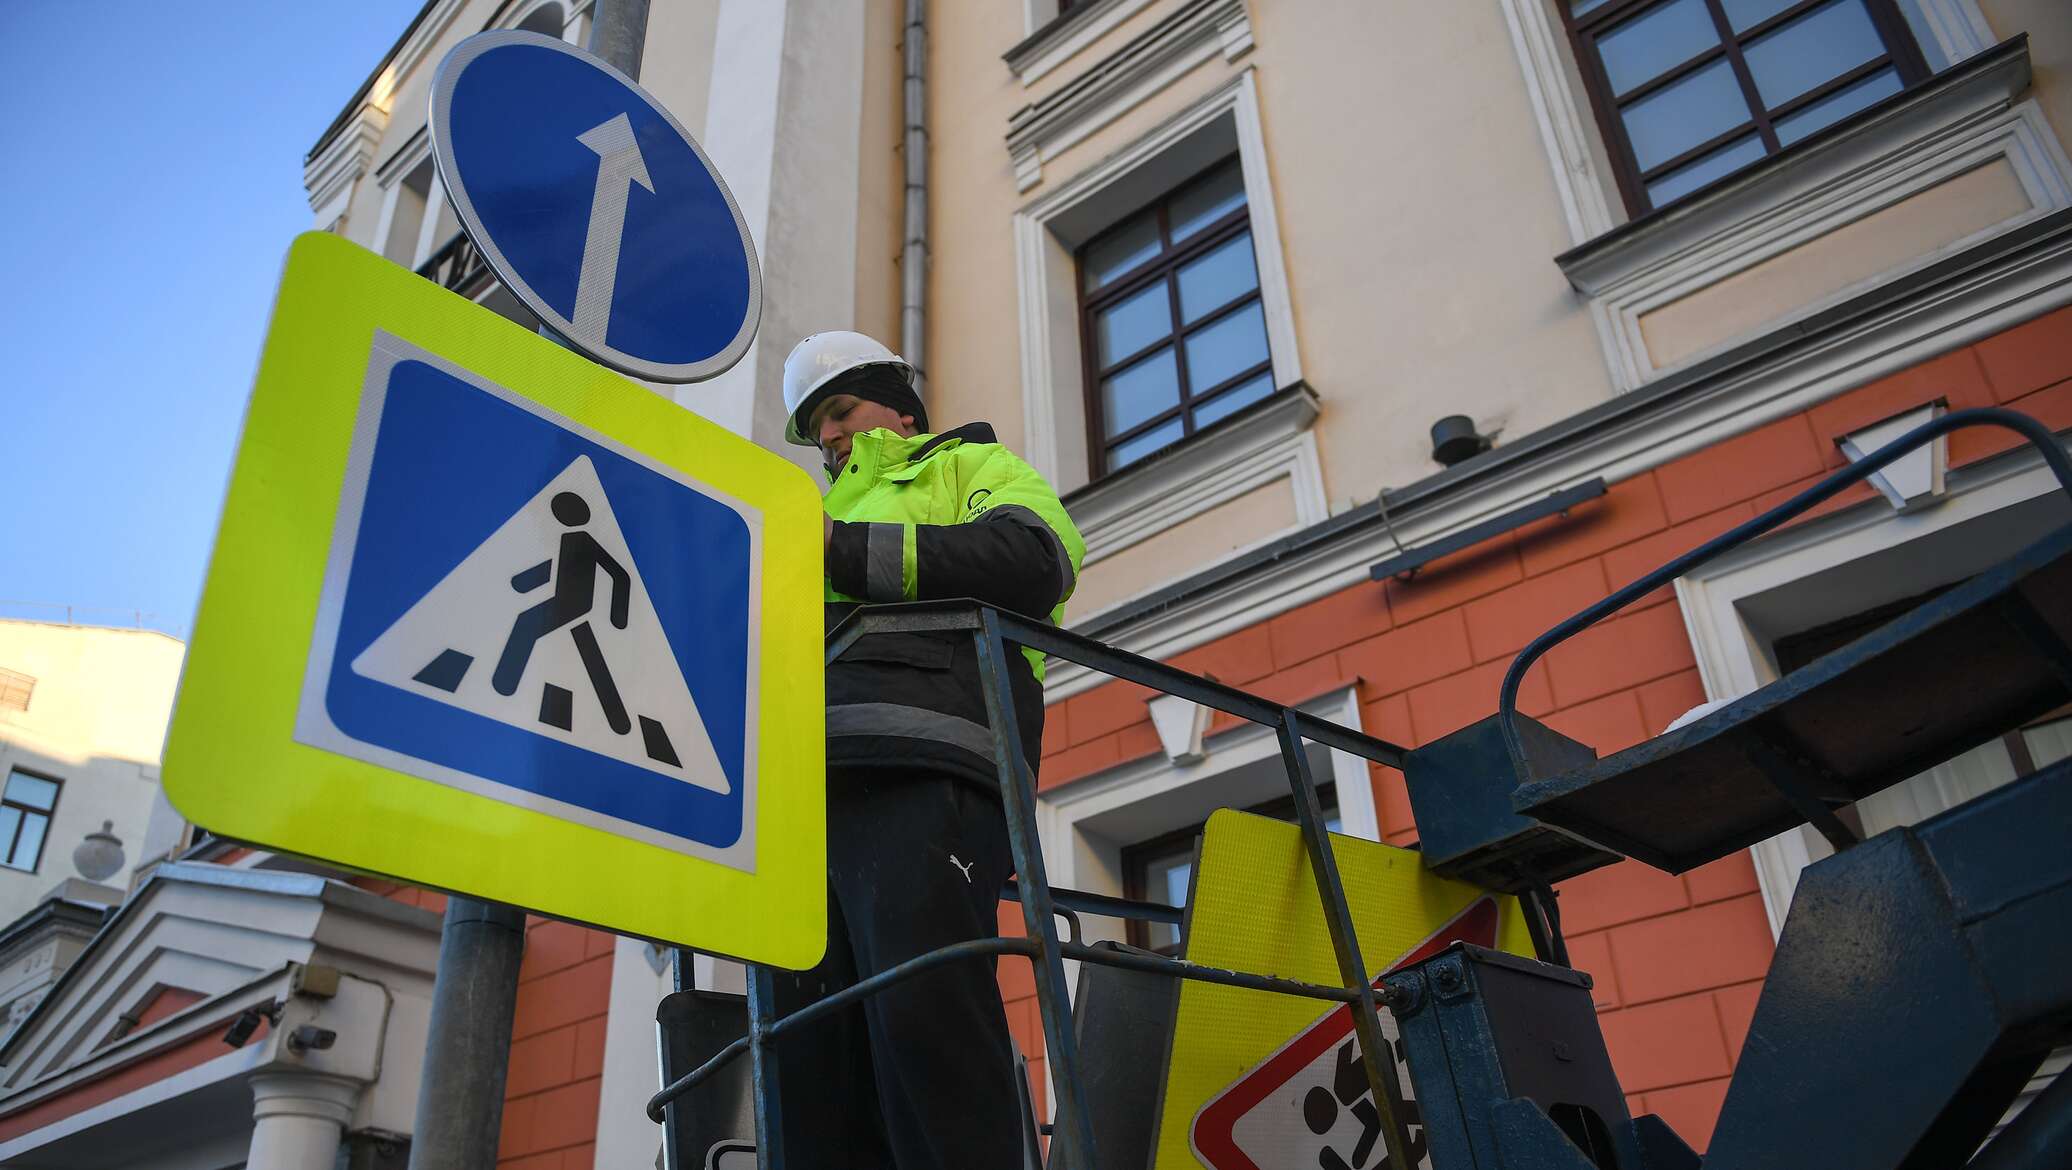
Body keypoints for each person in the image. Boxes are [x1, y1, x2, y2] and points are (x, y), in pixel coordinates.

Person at [768, 330, 1085, 1170]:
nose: (829, 436)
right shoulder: (805, 514)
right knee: (810, 1054)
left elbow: (1036, 558)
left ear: (899, 407)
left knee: (924, 1020)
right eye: (814, 427)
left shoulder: (964, 469)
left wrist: (836, 553)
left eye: (840, 410)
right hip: (800, 792)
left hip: (929, 760)